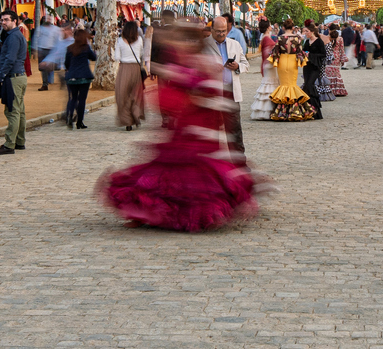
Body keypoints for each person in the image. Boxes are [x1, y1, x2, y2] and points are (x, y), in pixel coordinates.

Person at [97, 24, 261, 231]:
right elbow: (173, 93)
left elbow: (211, 96)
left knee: (197, 174)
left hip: (198, 132)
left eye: (183, 41)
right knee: (170, 173)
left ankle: (179, 212)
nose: (178, 45)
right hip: (183, 131)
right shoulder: (183, 64)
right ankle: (150, 211)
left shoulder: (203, 65)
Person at [204, 15, 247, 154]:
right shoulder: (204, 45)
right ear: (212, 29)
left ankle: (239, 163)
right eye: (218, 31)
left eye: (224, 31)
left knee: (234, 130)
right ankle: (213, 163)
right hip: (212, 93)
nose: (221, 34)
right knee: (212, 131)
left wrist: (237, 66)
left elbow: (246, 64)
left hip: (231, 93)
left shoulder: (234, 44)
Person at [0, 9, 29, 153]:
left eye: (6, 20)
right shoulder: (14, 35)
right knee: (20, 111)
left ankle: (9, 144)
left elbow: (9, 59)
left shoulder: (13, 37)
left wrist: (1, 76)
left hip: (13, 77)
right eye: (1, 20)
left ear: (15, 21)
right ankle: (19, 141)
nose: (3, 22)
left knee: (12, 111)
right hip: (19, 76)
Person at [266, 32, 317, 121]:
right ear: (293, 27)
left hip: (282, 60)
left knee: (284, 85)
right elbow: (300, 52)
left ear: (284, 28)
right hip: (293, 61)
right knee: (292, 85)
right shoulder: (297, 38)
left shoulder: (280, 38)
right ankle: (295, 110)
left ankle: (282, 111)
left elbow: (275, 52)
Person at [112, 19, 147, 130]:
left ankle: (127, 121)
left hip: (124, 69)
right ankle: (136, 116)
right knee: (135, 95)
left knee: (122, 95)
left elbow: (116, 57)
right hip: (136, 69)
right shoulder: (140, 40)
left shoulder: (120, 41)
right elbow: (141, 54)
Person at [63, 27, 97, 128]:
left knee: (73, 98)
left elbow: (66, 63)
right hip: (84, 76)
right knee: (82, 99)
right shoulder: (86, 48)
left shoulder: (70, 48)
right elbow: (94, 58)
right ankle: (79, 122)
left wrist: (70, 70)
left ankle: (69, 116)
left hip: (72, 76)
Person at [34, 14, 66, 90]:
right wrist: (35, 49)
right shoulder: (40, 28)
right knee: (43, 68)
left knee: (56, 67)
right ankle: (45, 84)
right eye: (46, 18)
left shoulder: (55, 29)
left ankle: (61, 79)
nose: (47, 20)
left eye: (49, 19)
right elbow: (36, 38)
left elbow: (59, 39)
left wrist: (58, 49)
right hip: (42, 50)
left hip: (52, 50)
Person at [320, 27, 347, 99]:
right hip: (336, 57)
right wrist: (343, 59)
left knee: (328, 73)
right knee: (336, 73)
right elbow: (342, 49)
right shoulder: (340, 39)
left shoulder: (327, 38)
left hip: (329, 56)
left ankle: (329, 88)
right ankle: (338, 89)